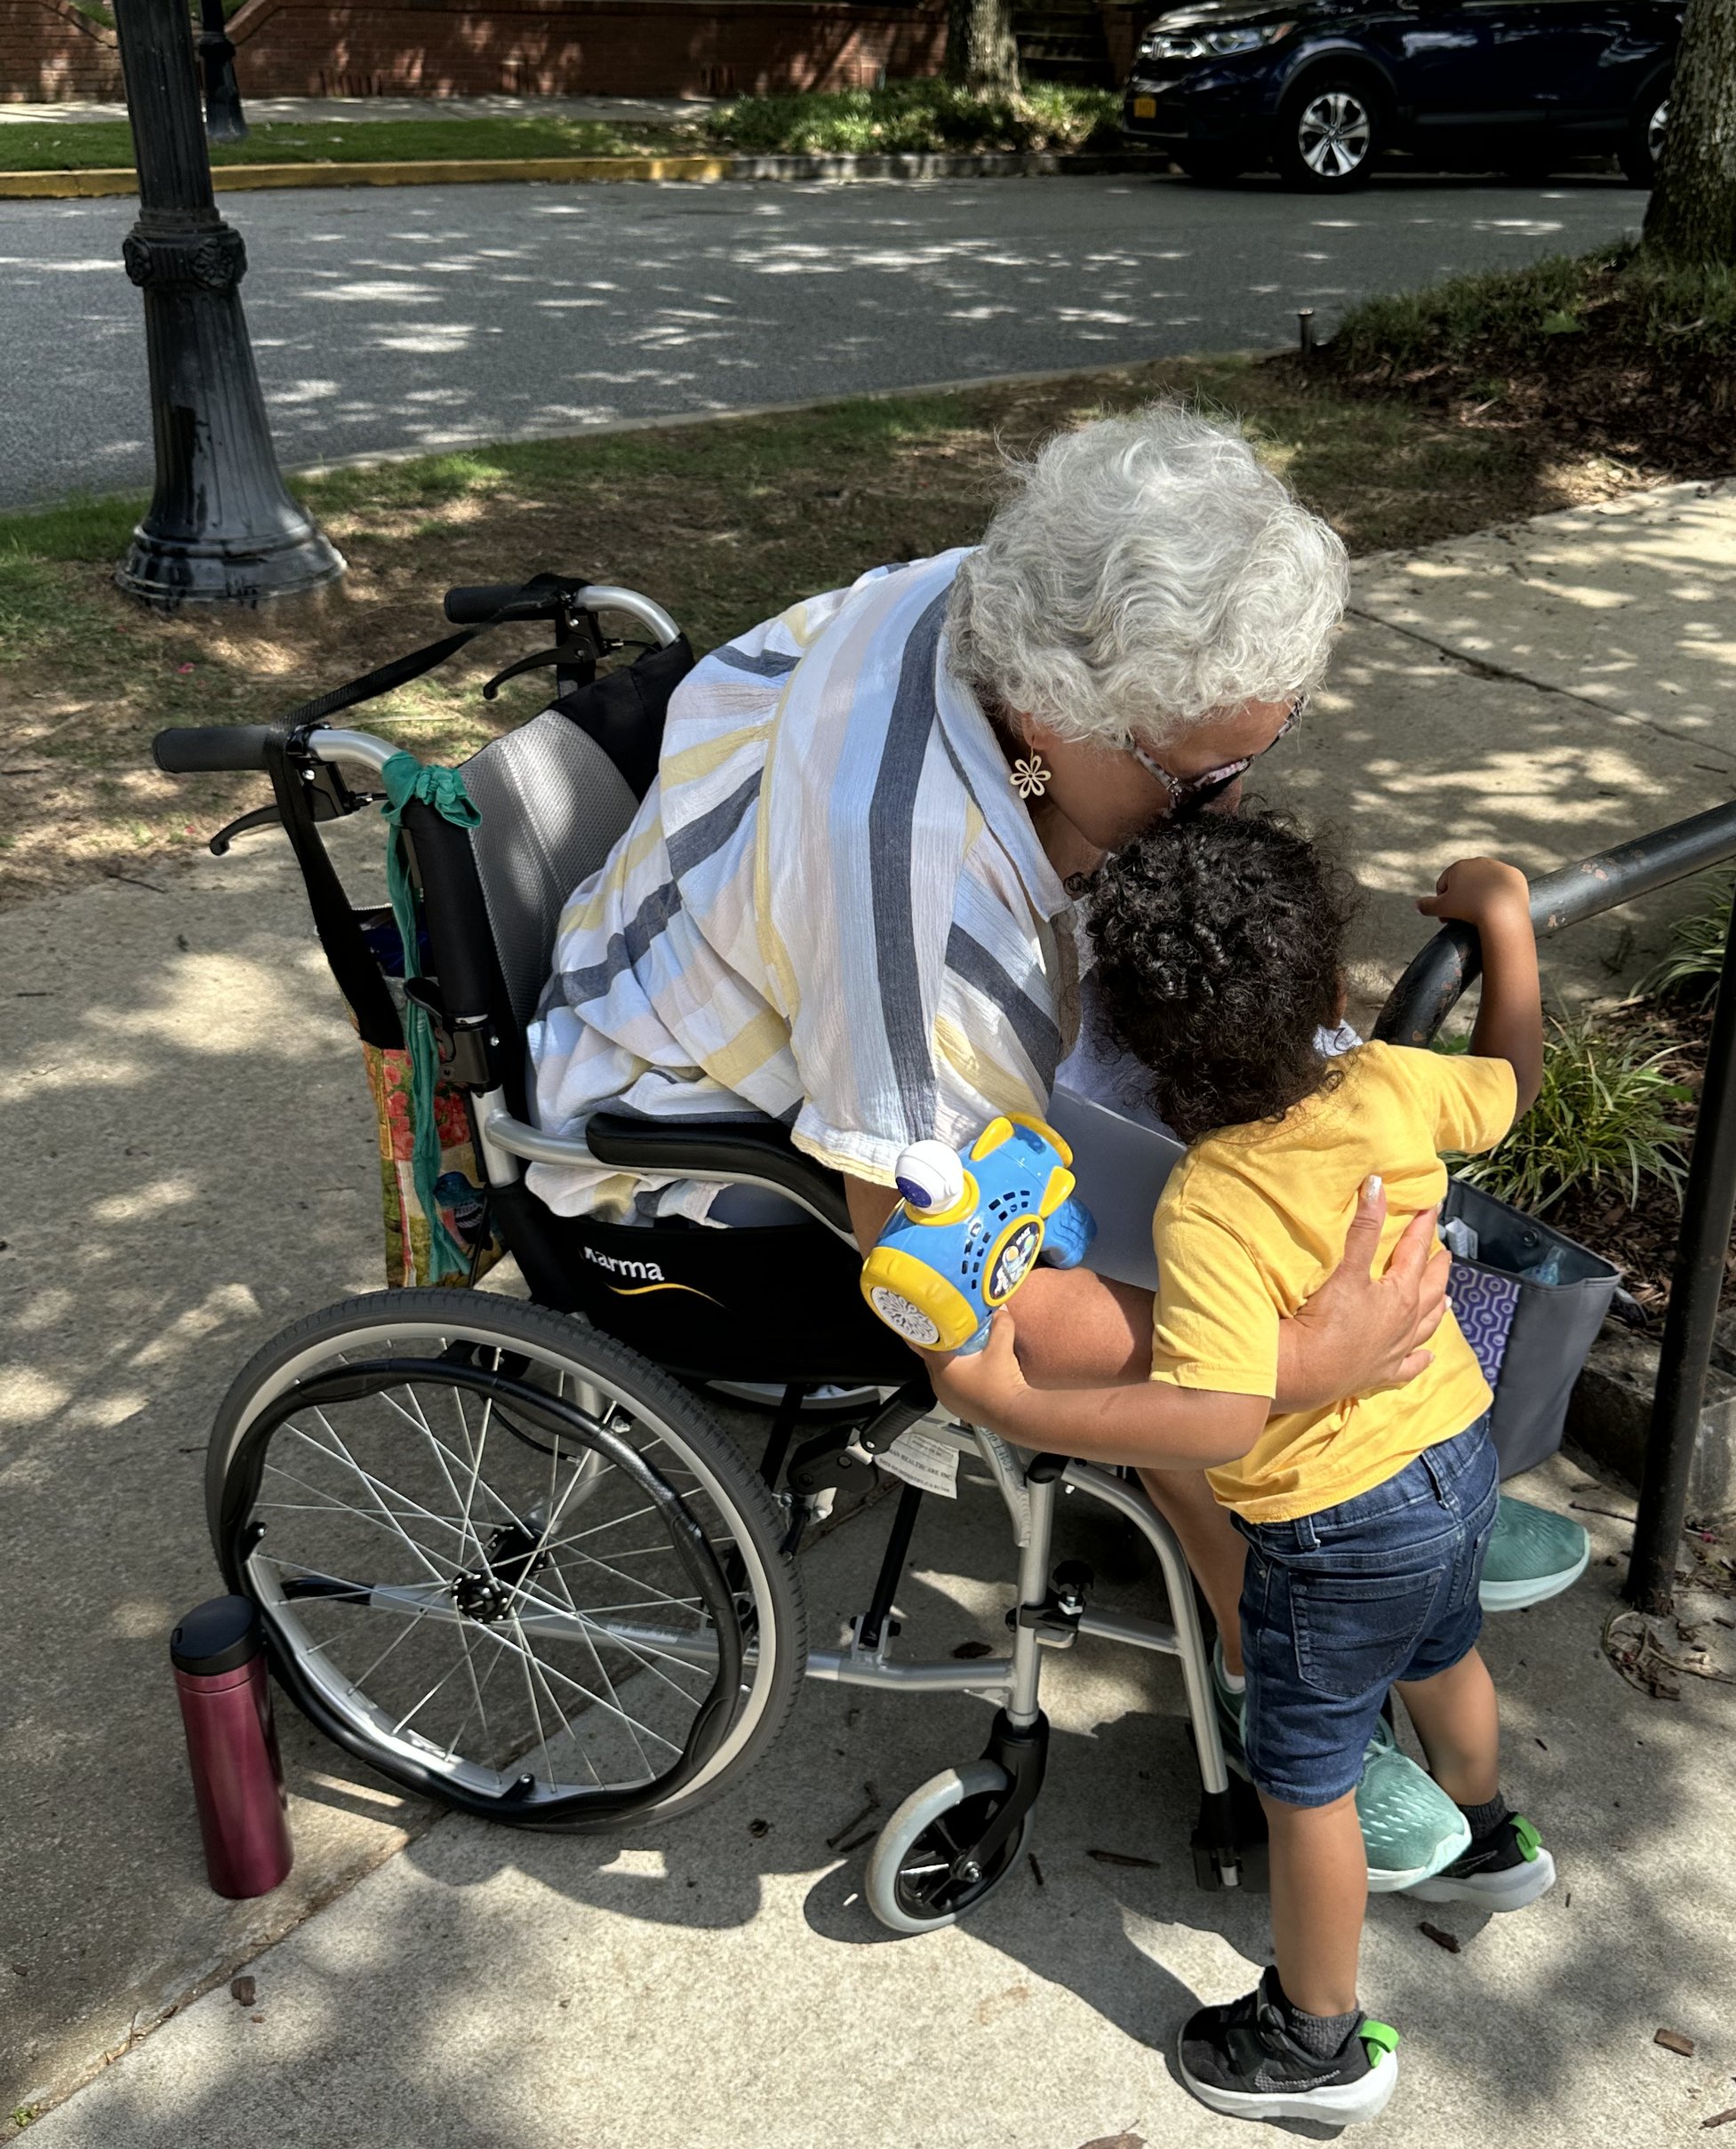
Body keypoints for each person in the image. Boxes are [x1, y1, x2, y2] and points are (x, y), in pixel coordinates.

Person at [528, 404, 1483, 1865]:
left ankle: (1382, 1494)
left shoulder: (1022, 594)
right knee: (1218, 1297)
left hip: (764, 985)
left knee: (1240, 1202)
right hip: (692, 1163)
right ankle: (1282, 1624)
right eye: (1200, 779)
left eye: (1258, 749)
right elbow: (978, 1320)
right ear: (1058, 721)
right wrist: (1294, 1368)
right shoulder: (906, 909)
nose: (1226, 800)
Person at [942, 810, 1552, 2129]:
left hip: (1333, 1529)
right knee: (1447, 1651)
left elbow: (1216, 1418)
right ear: (1332, 991)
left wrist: (1011, 1392)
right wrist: (1506, 929)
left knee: (1309, 1782)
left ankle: (1316, 2036)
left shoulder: (1208, 1200)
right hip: (1457, 1453)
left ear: (1140, 1053)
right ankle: (1491, 1837)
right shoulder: (1389, 1081)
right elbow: (1506, 1086)